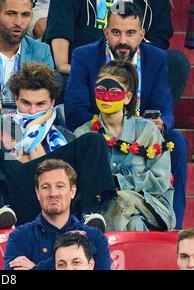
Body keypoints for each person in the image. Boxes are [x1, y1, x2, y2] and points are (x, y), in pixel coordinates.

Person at [65, 1, 187, 229]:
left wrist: (160, 123)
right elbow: (75, 112)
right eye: (116, 33)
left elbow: (166, 109)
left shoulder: (157, 58)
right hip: (98, 134)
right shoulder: (84, 55)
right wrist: (109, 123)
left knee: (176, 142)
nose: (123, 41)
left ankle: (175, 227)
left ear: (142, 34)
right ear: (105, 32)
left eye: (130, 33)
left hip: (144, 134)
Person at [0, 62, 117, 230]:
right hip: (10, 198)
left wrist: (35, 131)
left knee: (94, 140)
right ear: (16, 100)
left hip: (54, 196)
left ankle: (90, 212)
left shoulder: (66, 138)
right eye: (26, 103)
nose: (32, 111)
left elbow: (47, 170)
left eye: (40, 104)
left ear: (52, 103)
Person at [75, 60, 176, 231]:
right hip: (102, 211)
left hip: (151, 207)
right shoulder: (84, 134)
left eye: (114, 92)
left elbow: (161, 180)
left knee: (122, 198)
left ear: (128, 97)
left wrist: (118, 183)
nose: (106, 97)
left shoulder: (148, 131)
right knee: (134, 223)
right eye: (100, 91)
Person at [44, 0, 189, 105]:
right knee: (57, 80)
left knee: (176, 62)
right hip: (85, 75)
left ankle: (146, 123)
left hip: (136, 74)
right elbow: (61, 55)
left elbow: (159, 40)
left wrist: (129, 72)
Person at [3, 159, 111, 270]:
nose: (53, 193)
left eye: (60, 186)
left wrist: (37, 268)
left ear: (72, 191)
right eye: (45, 187)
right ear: (37, 193)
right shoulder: (20, 236)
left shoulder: (95, 237)